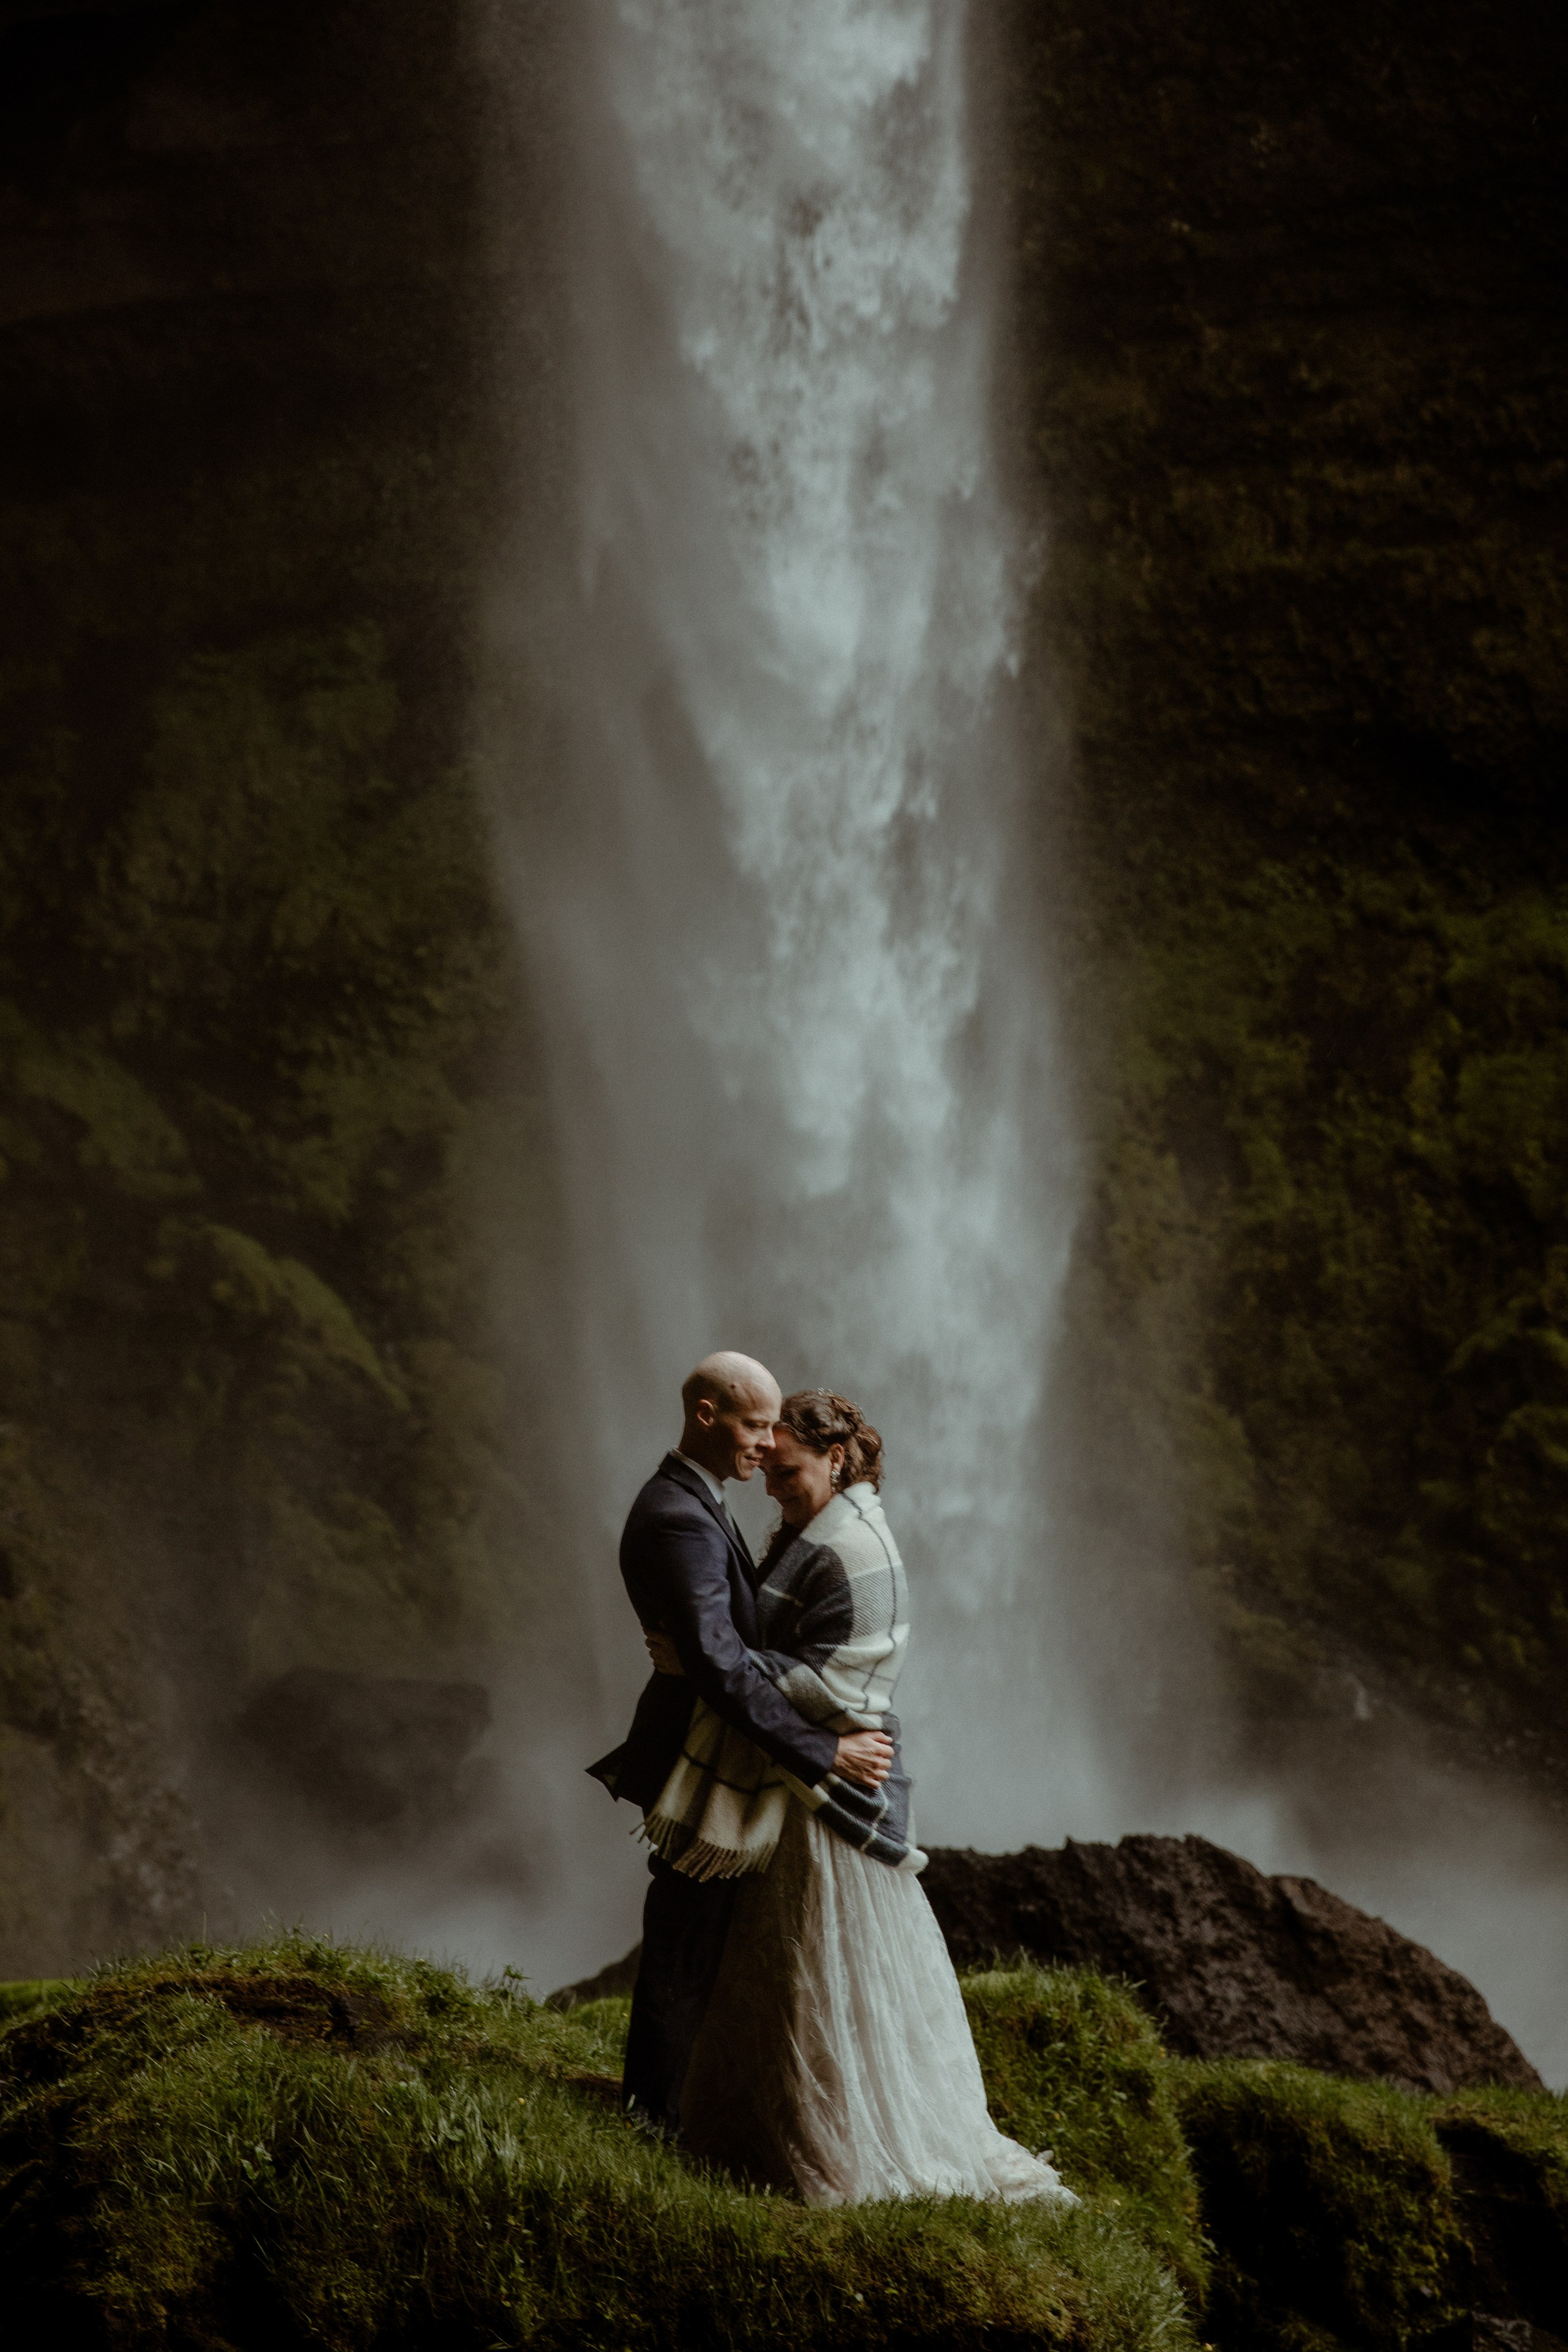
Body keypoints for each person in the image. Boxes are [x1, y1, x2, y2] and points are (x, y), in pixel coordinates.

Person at [652, 1389, 1077, 2207]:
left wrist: (708, 1664)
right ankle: (762, 2129)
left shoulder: (856, 1548)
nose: (774, 1489)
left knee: (824, 1968)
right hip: (806, 1780)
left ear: (837, 1459)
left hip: (832, 1792)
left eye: (789, 1474)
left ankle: (835, 2140)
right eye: (769, 1475)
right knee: (788, 1974)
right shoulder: (818, 1529)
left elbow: (843, 1675)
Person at [588, 1352, 894, 2138]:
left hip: (724, 1756)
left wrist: (705, 1656)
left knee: (698, 1945)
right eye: (755, 1425)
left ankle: (676, 2108)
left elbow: (718, 1651)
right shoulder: (679, 1516)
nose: (765, 1446)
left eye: (773, 1433)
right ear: (705, 1416)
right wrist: (824, 1753)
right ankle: (649, 2121)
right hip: (710, 1755)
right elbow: (720, 1666)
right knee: (684, 1948)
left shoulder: (699, 1499)